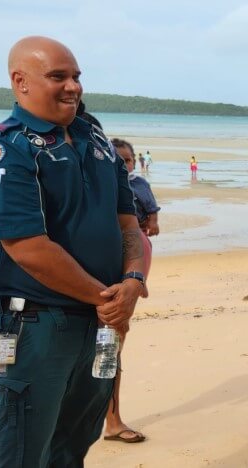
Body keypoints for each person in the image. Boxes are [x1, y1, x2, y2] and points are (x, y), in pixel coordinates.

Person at [0, 36, 148, 466]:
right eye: (58, 77)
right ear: (20, 82)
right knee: (14, 447)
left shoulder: (96, 139)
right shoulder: (4, 147)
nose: (73, 86)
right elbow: (26, 246)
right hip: (30, 322)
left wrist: (133, 281)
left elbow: (128, 222)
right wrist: (107, 298)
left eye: (76, 76)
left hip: (103, 324)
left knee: (76, 440)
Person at [101, 137, 161, 444]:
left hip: (125, 281)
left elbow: (148, 224)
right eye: (116, 160)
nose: (122, 166)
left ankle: (112, 419)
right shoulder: (96, 191)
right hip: (97, 281)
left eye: (126, 161)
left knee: (110, 346)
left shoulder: (135, 190)